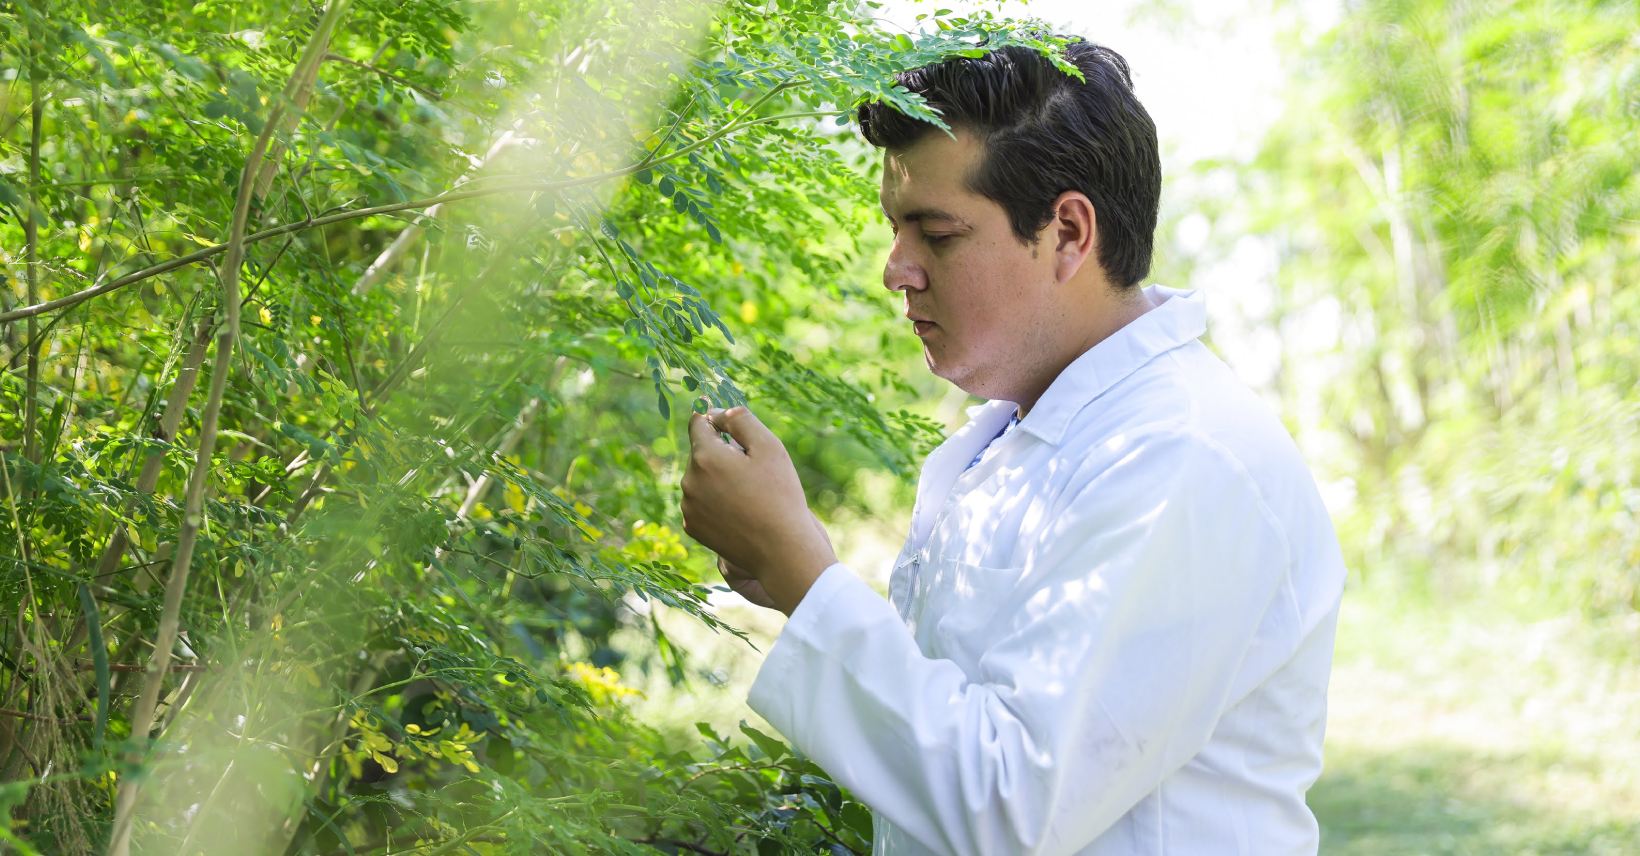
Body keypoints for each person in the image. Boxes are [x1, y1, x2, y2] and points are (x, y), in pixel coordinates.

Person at [680, 36, 1346, 855]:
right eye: (896, 231)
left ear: (1067, 232)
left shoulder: (1182, 456)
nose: (896, 270)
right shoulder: (1015, 436)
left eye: (938, 234)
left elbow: (1011, 803)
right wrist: (790, 572)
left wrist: (804, 574)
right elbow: (968, 715)